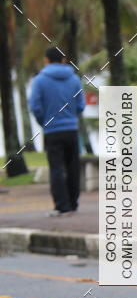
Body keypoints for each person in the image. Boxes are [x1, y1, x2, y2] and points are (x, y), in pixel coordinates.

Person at [28, 47, 85, 216]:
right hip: (71, 130)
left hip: (52, 131)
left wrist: (45, 122)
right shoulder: (74, 79)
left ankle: (62, 206)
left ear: (46, 60)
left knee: (57, 168)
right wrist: (72, 118)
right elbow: (81, 105)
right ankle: (73, 204)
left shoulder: (39, 81)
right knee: (73, 167)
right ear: (63, 60)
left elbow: (35, 106)